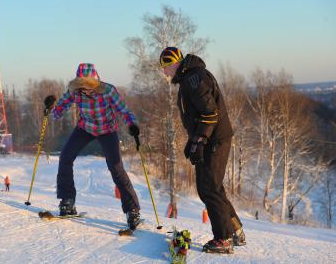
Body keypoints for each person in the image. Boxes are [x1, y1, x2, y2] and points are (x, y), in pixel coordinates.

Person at [159, 47, 246, 254]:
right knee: (213, 187)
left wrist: (199, 141)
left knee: (208, 188)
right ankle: (234, 230)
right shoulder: (192, 76)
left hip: (214, 140)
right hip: (213, 138)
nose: (164, 73)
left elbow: (209, 114)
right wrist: (194, 140)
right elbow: (201, 115)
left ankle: (223, 239)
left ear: (173, 63)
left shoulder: (193, 79)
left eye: (165, 68)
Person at [44, 63, 142, 230]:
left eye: (88, 87)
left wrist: (132, 124)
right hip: (85, 128)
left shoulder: (108, 91)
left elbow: (124, 111)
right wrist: (50, 109)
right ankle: (67, 201)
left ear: (95, 83)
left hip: (107, 130)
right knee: (65, 157)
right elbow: (60, 110)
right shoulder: (75, 92)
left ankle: (132, 211)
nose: (85, 90)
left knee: (116, 167)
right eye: (81, 87)